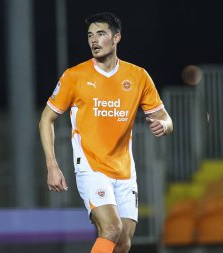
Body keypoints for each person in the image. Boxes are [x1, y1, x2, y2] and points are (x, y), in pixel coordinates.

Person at [39, 12, 173, 253]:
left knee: (123, 243)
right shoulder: (75, 76)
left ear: (116, 38)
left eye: (101, 34)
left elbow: (166, 119)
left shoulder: (138, 76)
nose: (94, 40)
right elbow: (46, 119)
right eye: (90, 35)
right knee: (111, 228)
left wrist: (163, 126)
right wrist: (52, 165)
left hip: (124, 171)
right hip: (91, 167)